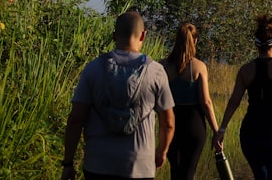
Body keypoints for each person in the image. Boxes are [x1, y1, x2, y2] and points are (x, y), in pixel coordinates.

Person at [61, 10, 175, 180]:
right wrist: (162, 152)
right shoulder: (156, 71)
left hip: (98, 164)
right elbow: (168, 123)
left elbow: (75, 120)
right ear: (143, 36)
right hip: (139, 167)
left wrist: (68, 163)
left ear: (114, 36)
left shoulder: (93, 69)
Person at [214, 15, 272, 180]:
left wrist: (222, 129)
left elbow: (234, 102)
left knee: (260, 176)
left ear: (256, 45)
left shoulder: (245, 70)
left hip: (250, 135)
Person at [162, 23, 220, 180]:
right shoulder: (199, 67)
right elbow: (206, 102)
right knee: (188, 171)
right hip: (194, 124)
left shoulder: (163, 66)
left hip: (171, 123)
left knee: (175, 170)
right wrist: (216, 131)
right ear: (195, 41)